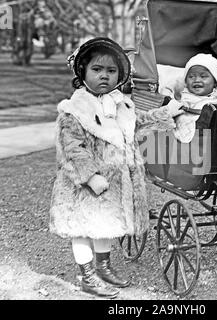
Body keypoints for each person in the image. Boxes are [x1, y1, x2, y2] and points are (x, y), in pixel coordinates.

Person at [49, 37, 181, 299]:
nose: (104, 76)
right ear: (82, 72)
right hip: (85, 186)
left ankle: (104, 266)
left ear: (119, 76)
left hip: (114, 184)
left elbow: (138, 122)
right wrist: (91, 176)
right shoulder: (75, 110)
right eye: (97, 70)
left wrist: (166, 114)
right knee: (83, 229)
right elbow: (73, 149)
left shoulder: (121, 104)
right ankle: (87, 276)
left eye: (111, 71)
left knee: (105, 226)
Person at [161, 53, 217, 143]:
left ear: (215, 83)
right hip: (190, 142)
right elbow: (167, 100)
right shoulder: (183, 99)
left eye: (203, 76)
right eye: (191, 76)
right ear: (185, 82)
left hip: (215, 139)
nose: (196, 80)